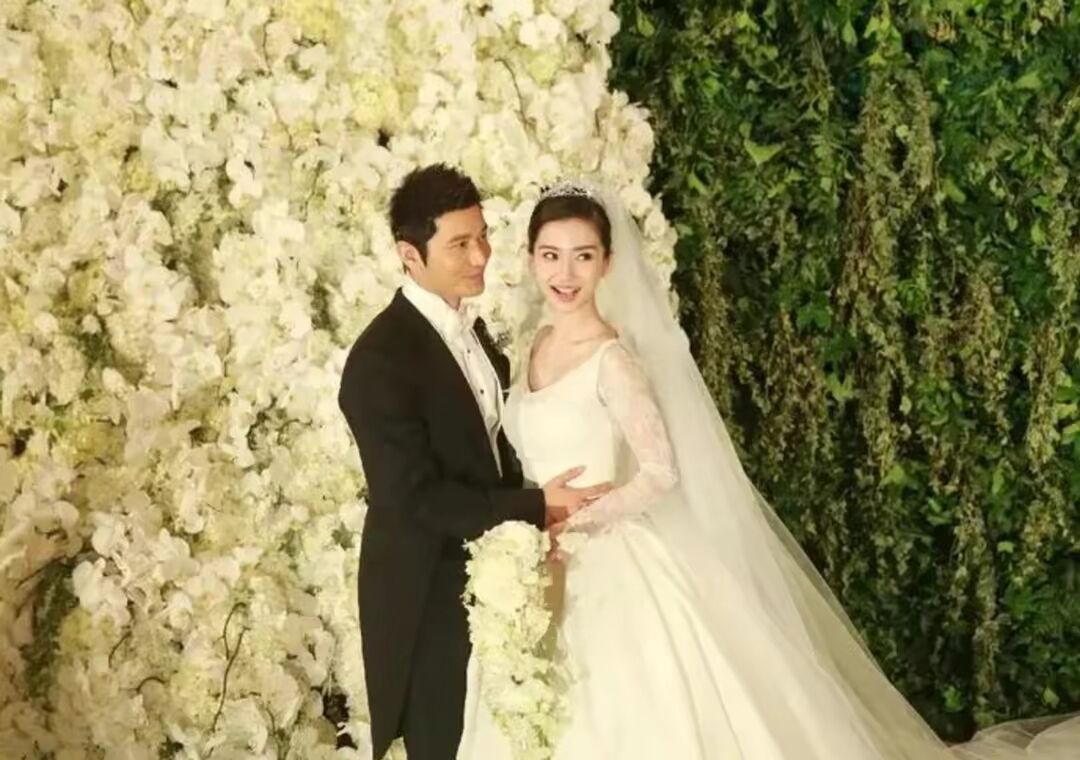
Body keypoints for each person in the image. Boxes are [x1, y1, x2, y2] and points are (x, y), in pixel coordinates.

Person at [456, 181, 1080, 759]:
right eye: (551, 255)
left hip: (605, 556)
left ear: (607, 263)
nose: (565, 274)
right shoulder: (531, 346)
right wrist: (529, 527)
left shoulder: (613, 360)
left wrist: (575, 518)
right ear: (531, 259)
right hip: (537, 559)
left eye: (583, 256)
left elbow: (659, 472)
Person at [337, 165, 611, 760]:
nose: (481, 255)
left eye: (483, 236)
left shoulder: (475, 333)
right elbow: (415, 498)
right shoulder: (379, 361)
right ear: (410, 255)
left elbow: (491, 450)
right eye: (460, 244)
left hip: (501, 583)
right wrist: (535, 506)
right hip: (429, 595)